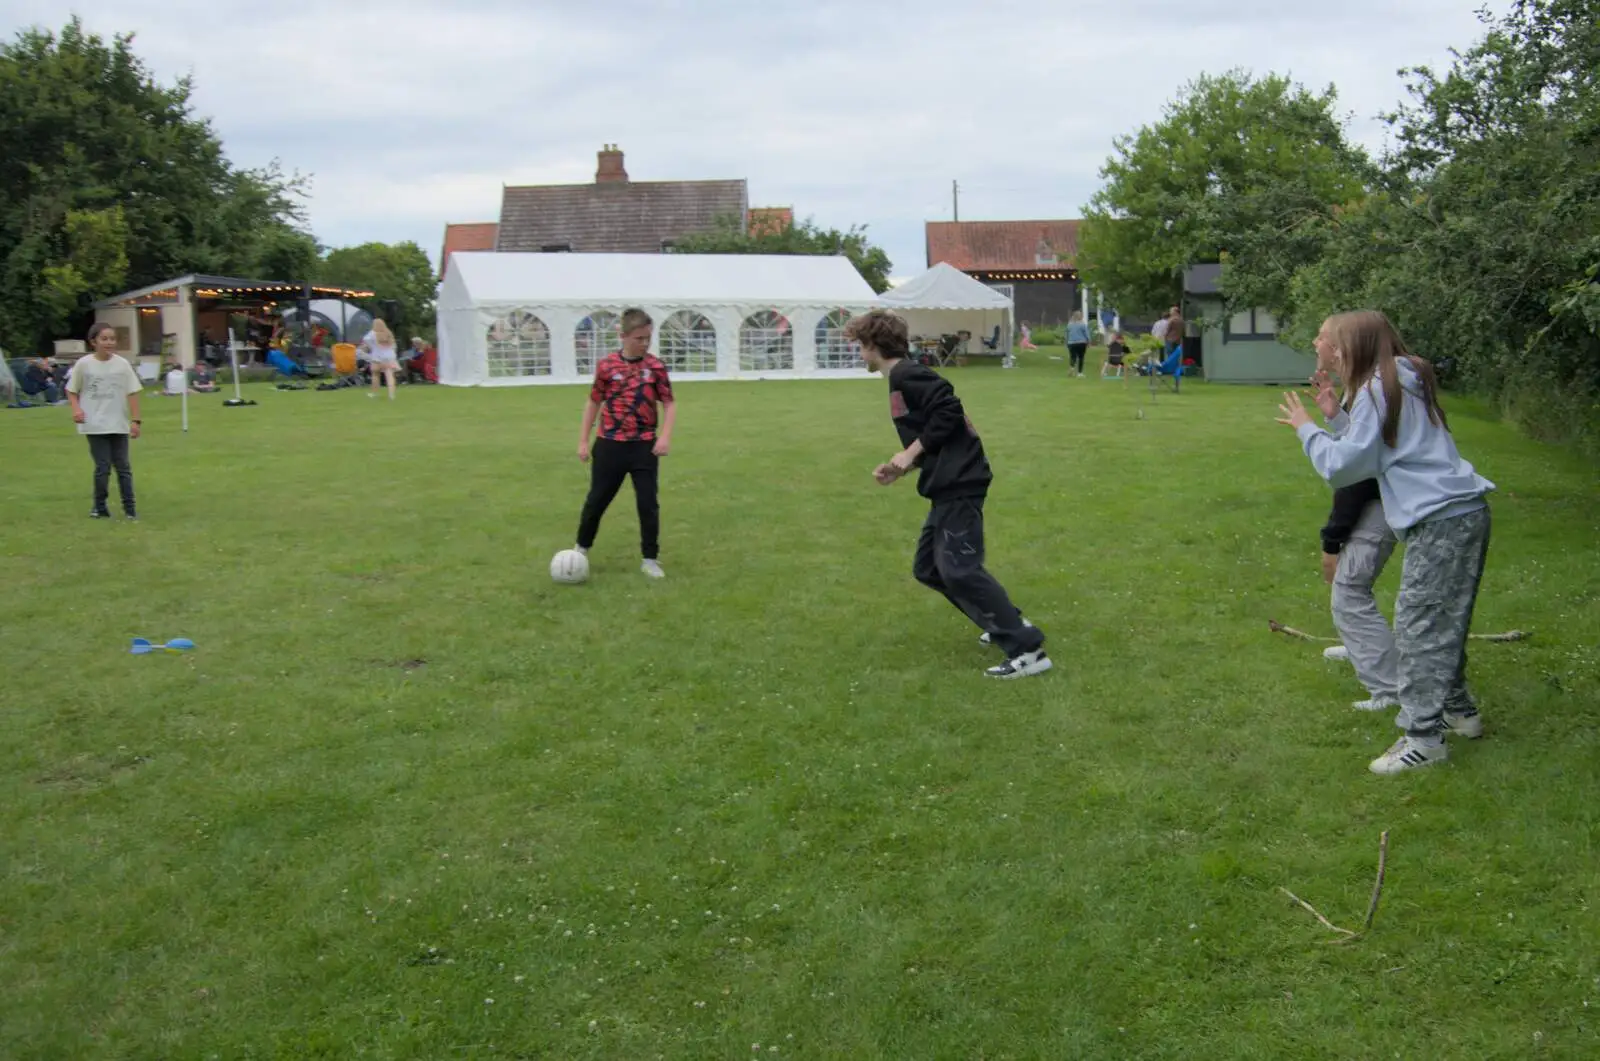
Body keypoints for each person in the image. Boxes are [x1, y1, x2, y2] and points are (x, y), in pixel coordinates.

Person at [1278, 310, 1494, 775]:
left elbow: (1342, 467)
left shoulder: (1380, 387)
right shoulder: (1393, 379)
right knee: (1440, 623)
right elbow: (1377, 453)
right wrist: (1336, 420)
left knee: (1419, 629)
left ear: (1342, 348)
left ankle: (1424, 739)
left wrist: (1306, 428)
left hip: (1443, 519)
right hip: (1458, 513)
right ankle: (1460, 712)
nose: (1316, 344)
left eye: (1322, 338)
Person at [846, 308, 1050, 680]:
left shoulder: (908, 373)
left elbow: (948, 410)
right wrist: (902, 468)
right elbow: (935, 433)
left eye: (859, 345)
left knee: (959, 568)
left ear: (874, 345)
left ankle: (1027, 649)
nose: (858, 353)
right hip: (946, 483)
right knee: (929, 568)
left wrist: (908, 453)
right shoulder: (900, 377)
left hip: (961, 481)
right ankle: (1007, 620)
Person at [573, 308, 675, 579]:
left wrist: (664, 436)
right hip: (609, 445)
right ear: (623, 335)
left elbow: (669, 402)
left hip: (643, 446)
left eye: (648, 338)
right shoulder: (606, 366)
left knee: (647, 504)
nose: (644, 343)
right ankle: (580, 549)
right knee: (597, 500)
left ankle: (650, 559)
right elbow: (594, 401)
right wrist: (584, 440)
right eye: (639, 338)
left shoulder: (655, 367)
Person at [67, 324, 143, 521]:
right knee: (102, 467)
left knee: (123, 467)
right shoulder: (84, 364)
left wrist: (136, 421)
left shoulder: (122, 365)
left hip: (118, 423)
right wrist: (76, 408)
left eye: (112, 339)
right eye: (104, 339)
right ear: (94, 342)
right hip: (94, 423)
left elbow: (132, 392)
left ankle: (130, 509)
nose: (109, 343)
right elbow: (72, 389)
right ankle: (99, 507)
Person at [361, 318, 400, 400]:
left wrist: (370, 347)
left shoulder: (372, 333)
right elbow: (394, 345)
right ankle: (391, 394)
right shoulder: (388, 333)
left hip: (377, 356)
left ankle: (374, 393)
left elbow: (366, 341)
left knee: (375, 375)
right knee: (390, 375)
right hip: (389, 356)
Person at [1065, 311, 1091, 377]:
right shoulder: (1082, 324)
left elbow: (1067, 334)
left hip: (1071, 343)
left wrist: (1067, 342)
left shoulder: (1069, 324)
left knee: (1073, 357)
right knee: (1081, 357)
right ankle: (1080, 373)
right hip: (1081, 343)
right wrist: (1088, 342)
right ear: (1081, 316)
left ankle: (1072, 367)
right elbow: (1087, 334)